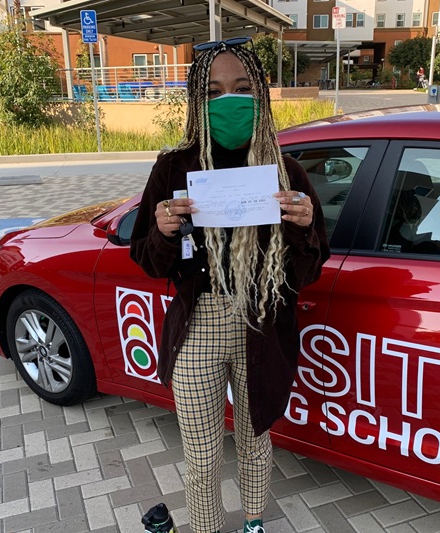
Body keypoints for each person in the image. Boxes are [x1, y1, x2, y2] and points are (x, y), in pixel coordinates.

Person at [130, 37, 329, 533]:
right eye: (215, 91)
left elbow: (307, 273)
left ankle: (254, 525)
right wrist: (162, 229)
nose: (229, 101)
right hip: (199, 325)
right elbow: (148, 262)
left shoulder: (288, 174)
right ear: (199, 102)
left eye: (241, 88)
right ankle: (206, 528)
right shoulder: (174, 168)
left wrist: (305, 230)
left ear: (260, 95)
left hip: (261, 324)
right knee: (201, 456)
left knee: (256, 444)